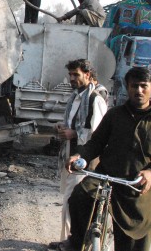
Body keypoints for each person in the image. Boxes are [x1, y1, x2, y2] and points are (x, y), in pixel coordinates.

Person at [58, 67, 151, 251]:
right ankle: (77, 242)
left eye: (143, 86)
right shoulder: (114, 115)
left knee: (134, 239)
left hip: (137, 185)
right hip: (106, 177)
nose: (138, 91)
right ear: (127, 87)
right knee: (79, 197)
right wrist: (79, 155)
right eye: (134, 86)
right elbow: (96, 142)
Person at [49, 59, 107, 249]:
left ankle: (76, 243)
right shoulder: (76, 97)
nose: (72, 78)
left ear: (88, 75)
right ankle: (69, 240)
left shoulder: (95, 98)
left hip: (84, 161)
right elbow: (75, 123)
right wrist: (63, 128)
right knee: (68, 201)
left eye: (76, 74)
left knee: (76, 203)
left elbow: (98, 135)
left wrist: (73, 133)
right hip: (70, 157)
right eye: (71, 74)